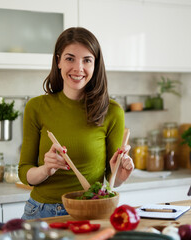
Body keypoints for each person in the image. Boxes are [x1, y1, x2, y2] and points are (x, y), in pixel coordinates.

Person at [18, 27, 134, 220]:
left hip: (90, 211)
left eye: (87, 60)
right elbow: (24, 173)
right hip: (42, 213)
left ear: (95, 65)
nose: (78, 68)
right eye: (70, 58)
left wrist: (120, 174)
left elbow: (112, 179)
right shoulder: (36, 107)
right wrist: (46, 169)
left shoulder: (112, 111)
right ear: (58, 61)